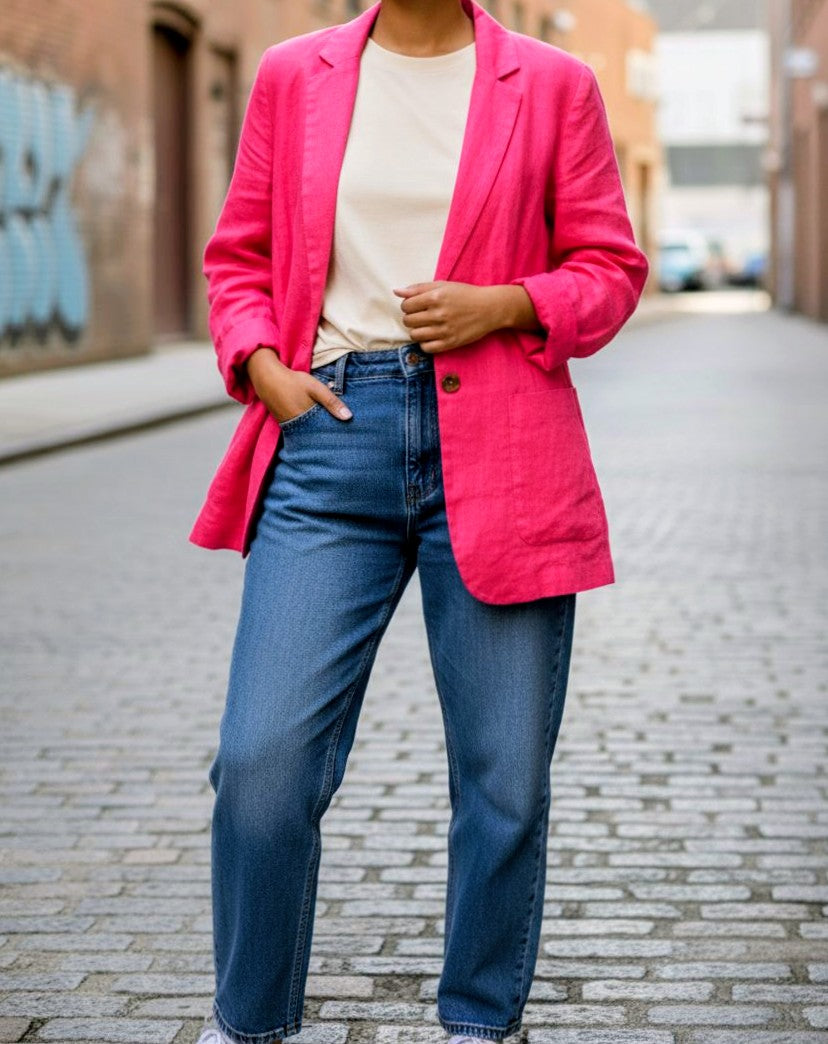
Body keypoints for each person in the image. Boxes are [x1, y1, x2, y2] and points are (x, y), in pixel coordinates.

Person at [193, 0, 649, 1042]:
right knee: (261, 763)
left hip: (504, 446)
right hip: (329, 437)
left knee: (504, 779)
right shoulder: (292, 74)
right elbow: (239, 257)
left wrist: (507, 304)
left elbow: (610, 270)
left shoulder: (552, 83)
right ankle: (248, 1023)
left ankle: (479, 1024)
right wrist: (265, 367)